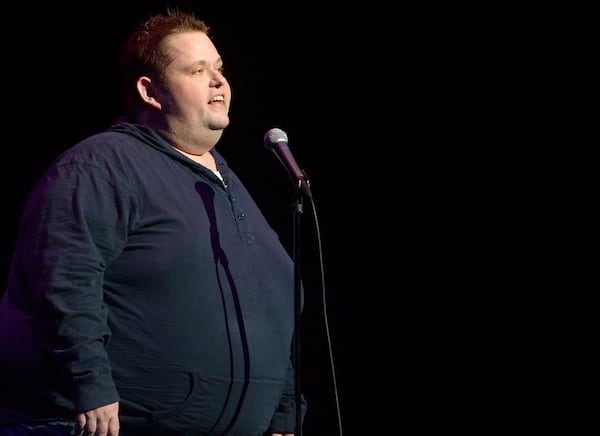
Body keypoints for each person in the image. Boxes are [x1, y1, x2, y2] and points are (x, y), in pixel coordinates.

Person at [0, 9, 306, 436]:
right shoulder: (101, 165)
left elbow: (267, 309)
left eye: (219, 69)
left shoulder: (227, 184)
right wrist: (89, 383)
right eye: (197, 70)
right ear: (150, 90)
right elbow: (63, 277)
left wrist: (283, 407)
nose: (219, 81)